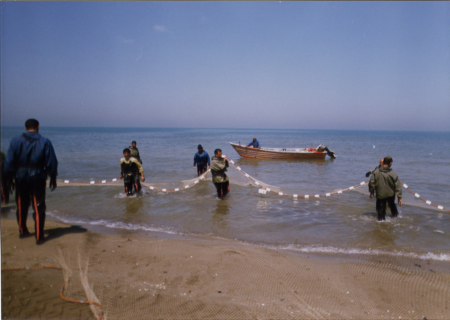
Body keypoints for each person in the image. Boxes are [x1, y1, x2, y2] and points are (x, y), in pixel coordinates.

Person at [3, 119, 58, 244]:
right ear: (38, 126)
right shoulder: (45, 141)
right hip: (38, 176)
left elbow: (8, 162)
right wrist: (53, 177)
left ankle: (23, 231)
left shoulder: (15, 141)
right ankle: (39, 236)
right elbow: (52, 162)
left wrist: (8, 179)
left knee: (21, 205)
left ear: (25, 127)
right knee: (38, 206)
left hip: (20, 177)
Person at [369, 156, 402, 221]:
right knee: (393, 207)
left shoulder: (376, 172)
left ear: (383, 162)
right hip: (391, 195)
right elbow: (397, 185)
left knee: (381, 211)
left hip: (380, 195)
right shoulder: (393, 173)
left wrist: (371, 191)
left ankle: (381, 225)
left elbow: (371, 183)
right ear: (390, 163)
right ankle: (396, 218)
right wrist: (399, 197)